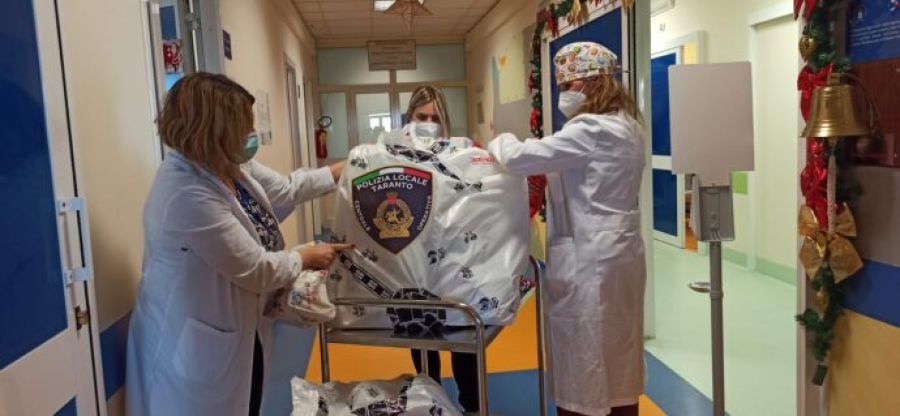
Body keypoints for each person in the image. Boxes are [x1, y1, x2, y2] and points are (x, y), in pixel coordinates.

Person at [126, 72, 353, 415]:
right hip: (194, 343)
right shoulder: (186, 192)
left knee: (249, 397)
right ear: (215, 131)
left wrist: (351, 166)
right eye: (243, 128)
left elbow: (287, 188)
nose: (251, 135)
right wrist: (303, 257)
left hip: (241, 327)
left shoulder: (229, 165)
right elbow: (256, 270)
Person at [488, 42, 647, 416]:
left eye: (568, 85)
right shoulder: (629, 127)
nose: (564, 94)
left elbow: (519, 158)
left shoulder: (591, 129)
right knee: (619, 350)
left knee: (584, 354)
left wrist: (500, 139)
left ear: (594, 81)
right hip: (621, 256)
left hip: (589, 261)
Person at [402, 85, 481, 414]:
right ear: (409, 118)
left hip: (456, 259)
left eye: (435, 118)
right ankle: (430, 403)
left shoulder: (461, 154)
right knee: (422, 341)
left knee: (463, 341)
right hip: (413, 263)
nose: (428, 124)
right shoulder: (395, 155)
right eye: (421, 117)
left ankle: (472, 406)